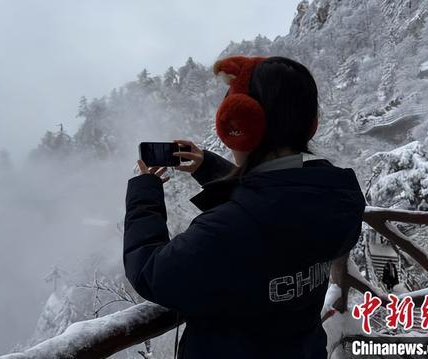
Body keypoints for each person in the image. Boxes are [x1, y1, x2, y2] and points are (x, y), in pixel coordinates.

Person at [123, 56, 367, 358]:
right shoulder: (338, 199)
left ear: (242, 126)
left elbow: (151, 272)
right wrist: (210, 167)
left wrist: (144, 193)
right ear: (311, 124)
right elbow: (275, 202)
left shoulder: (225, 230)